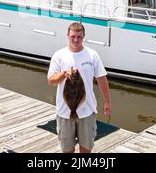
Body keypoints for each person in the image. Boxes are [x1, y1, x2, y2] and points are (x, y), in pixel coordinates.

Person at [48, 22, 111, 153]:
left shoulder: (92, 55)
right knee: (67, 150)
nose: (76, 40)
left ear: (83, 37)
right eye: (73, 36)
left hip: (87, 111)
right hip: (65, 112)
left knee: (86, 149)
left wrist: (107, 102)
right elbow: (51, 80)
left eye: (79, 37)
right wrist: (64, 75)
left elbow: (101, 78)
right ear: (67, 36)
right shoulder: (59, 55)